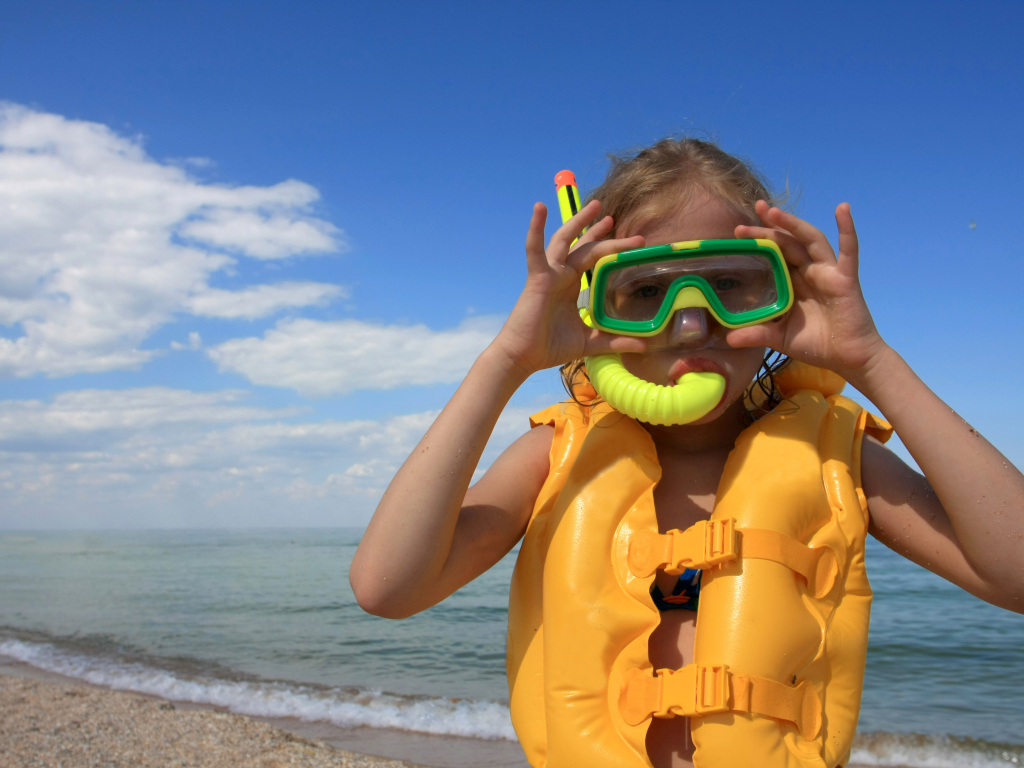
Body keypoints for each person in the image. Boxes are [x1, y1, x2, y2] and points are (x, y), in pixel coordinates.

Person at [349, 139, 1024, 768]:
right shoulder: (557, 453)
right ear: (596, 306)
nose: (692, 321)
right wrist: (504, 361)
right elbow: (388, 587)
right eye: (646, 290)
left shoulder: (833, 457)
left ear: (784, 290)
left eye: (730, 284)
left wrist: (873, 362)